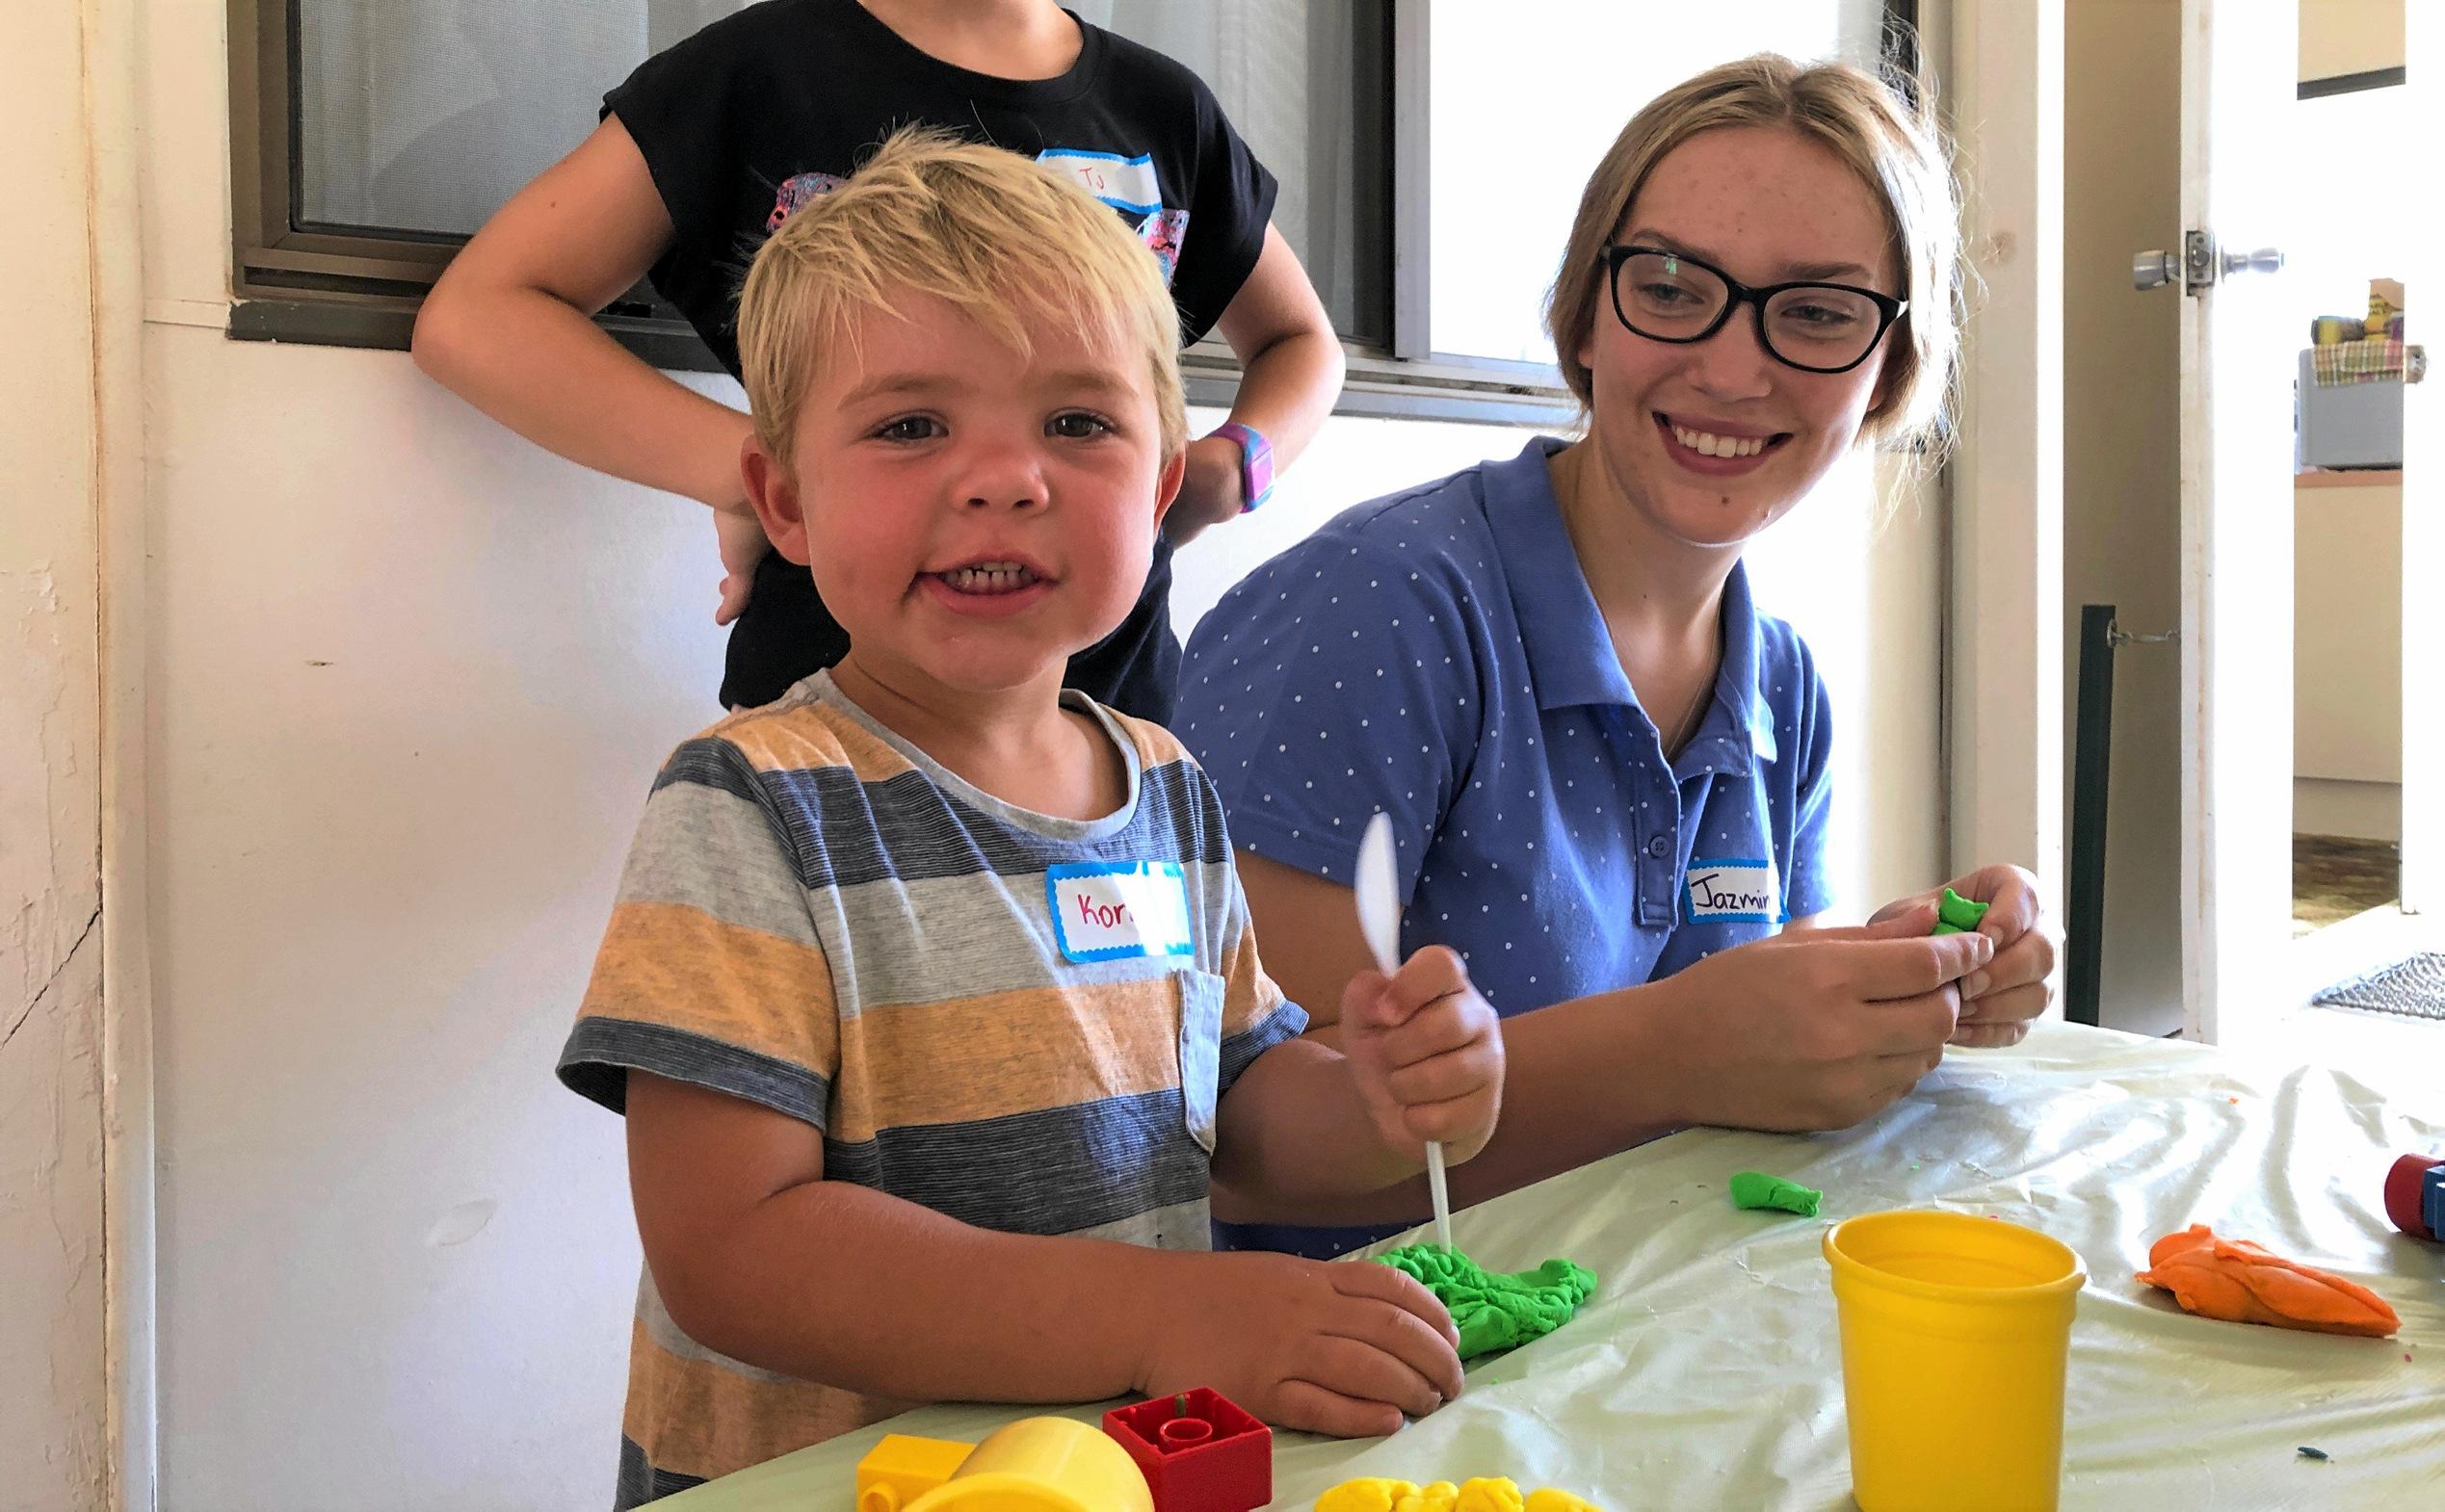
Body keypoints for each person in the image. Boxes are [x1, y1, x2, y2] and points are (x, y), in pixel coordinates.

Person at [552, 132, 1502, 1507]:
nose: (1005, 478)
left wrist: (1380, 1098)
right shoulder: (750, 800)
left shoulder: (1168, 785)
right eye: (909, 425)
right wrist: (1160, 1317)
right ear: (784, 500)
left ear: (1162, 484)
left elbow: (1235, 1114)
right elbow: (732, 1249)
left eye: (1077, 423)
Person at [1171, 55, 2059, 1258]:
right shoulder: (1376, 612)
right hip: (1350, 1385)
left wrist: (1901, 970)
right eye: (1675, 285)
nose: (1736, 369)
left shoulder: (1780, 685)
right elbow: (1238, 1144)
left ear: (1888, 372)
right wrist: (1677, 1048)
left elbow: (1747, 1021)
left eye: (1817, 313)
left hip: (1641, 1316)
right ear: (1586, 312)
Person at [413, 0, 1344, 717]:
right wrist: (762, 475)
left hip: (1114, 705)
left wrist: (1233, 469)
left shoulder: (1164, 108)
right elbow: (479, 316)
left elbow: (1303, 343)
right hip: (828, 707)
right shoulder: (754, 73)